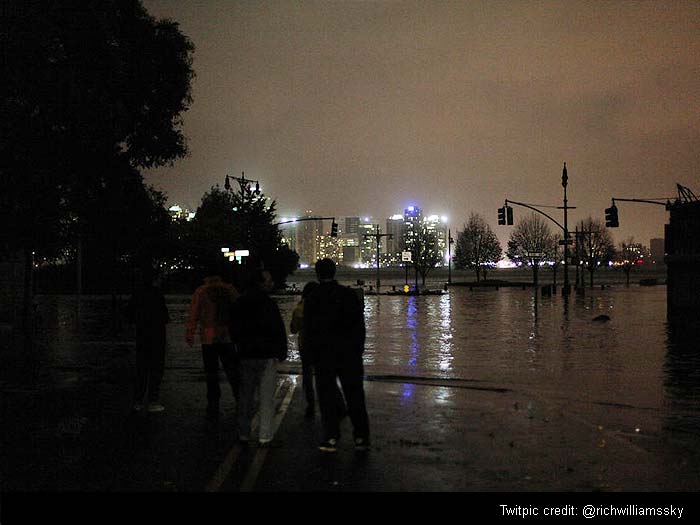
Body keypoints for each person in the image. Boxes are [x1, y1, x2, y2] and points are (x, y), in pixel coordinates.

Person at [304, 258, 370, 452]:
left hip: (324, 355)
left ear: (317, 274)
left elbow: (309, 330)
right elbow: (359, 326)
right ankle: (361, 436)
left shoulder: (313, 298)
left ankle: (331, 436)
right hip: (349, 354)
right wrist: (359, 349)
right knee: (355, 395)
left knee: (327, 397)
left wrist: (311, 355)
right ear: (334, 272)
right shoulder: (348, 295)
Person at [231, 269, 288, 445]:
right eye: (268, 281)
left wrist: (238, 347)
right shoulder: (269, 304)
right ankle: (265, 434)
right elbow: (278, 330)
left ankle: (243, 433)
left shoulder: (240, 303)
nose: (271, 283)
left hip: (246, 355)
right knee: (266, 398)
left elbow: (233, 328)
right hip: (266, 355)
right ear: (260, 283)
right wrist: (281, 352)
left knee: (245, 397)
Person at [186, 262, 240, 419]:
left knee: (211, 373)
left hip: (208, 338)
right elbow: (239, 311)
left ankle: (213, 403)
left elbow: (194, 314)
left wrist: (190, 333)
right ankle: (240, 398)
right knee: (232, 371)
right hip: (227, 336)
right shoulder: (230, 290)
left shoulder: (201, 291)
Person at [290, 281, 346, 418]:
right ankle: (339, 405)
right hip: (322, 346)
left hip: (305, 346)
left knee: (307, 378)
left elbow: (293, 329)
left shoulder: (299, 309)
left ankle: (310, 406)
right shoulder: (324, 306)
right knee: (328, 376)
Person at [126, 266, 170, 413]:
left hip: (142, 334)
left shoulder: (137, 293)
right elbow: (164, 316)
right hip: (157, 335)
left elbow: (129, 315)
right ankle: (153, 400)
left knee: (141, 368)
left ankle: (137, 400)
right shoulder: (157, 295)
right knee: (156, 368)